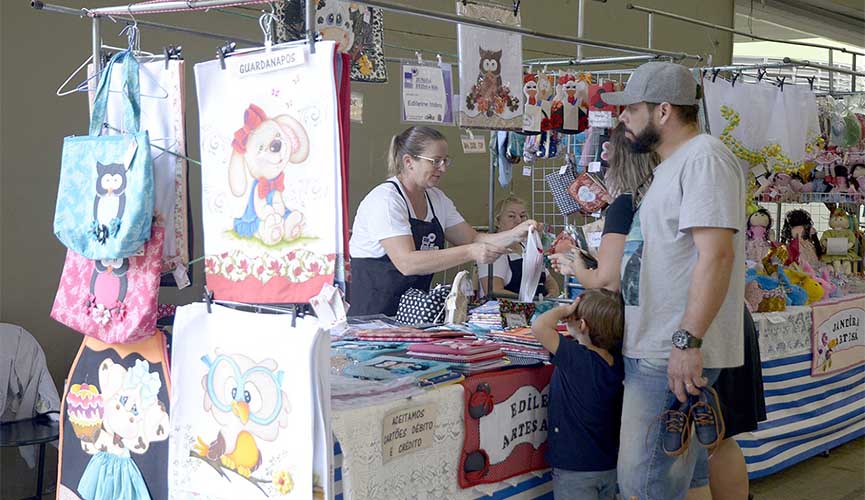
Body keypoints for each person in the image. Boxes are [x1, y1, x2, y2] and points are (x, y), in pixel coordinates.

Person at [600, 62, 746, 500]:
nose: (623, 117)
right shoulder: (674, 164)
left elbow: (716, 255)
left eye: (631, 108)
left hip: (668, 350)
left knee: (643, 484)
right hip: (659, 344)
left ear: (663, 111)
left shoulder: (703, 159)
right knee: (681, 480)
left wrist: (687, 342)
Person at [349, 126, 537, 316]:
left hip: (414, 315)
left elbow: (473, 238)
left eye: (446, 160)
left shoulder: (436, 199)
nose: (443, 168)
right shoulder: (386, 200)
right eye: (436, 161)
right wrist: (470, 252)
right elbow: (407, 263)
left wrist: (516, 234)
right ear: (409, 162)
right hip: (373, 317)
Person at [530, 289, 625, 500]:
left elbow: (539, 326)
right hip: (608, 464)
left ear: (582, 325)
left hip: (574, 467)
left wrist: (563, 309)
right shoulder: (617, 360)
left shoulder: (576, 358)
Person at [550, 123, 658, 291]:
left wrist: (577, 266)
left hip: (643, 300)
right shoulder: (661, 195)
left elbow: (607, 282)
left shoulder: (623, 206)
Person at [478, 196, 560, 298]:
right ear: (497, 221)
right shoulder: (493, 252)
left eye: (522, 216)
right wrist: (529, 302)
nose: (518, 221)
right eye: (511, 216)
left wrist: (552, 293)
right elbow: (494, 291)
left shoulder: (528, 247)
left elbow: (548, 279)